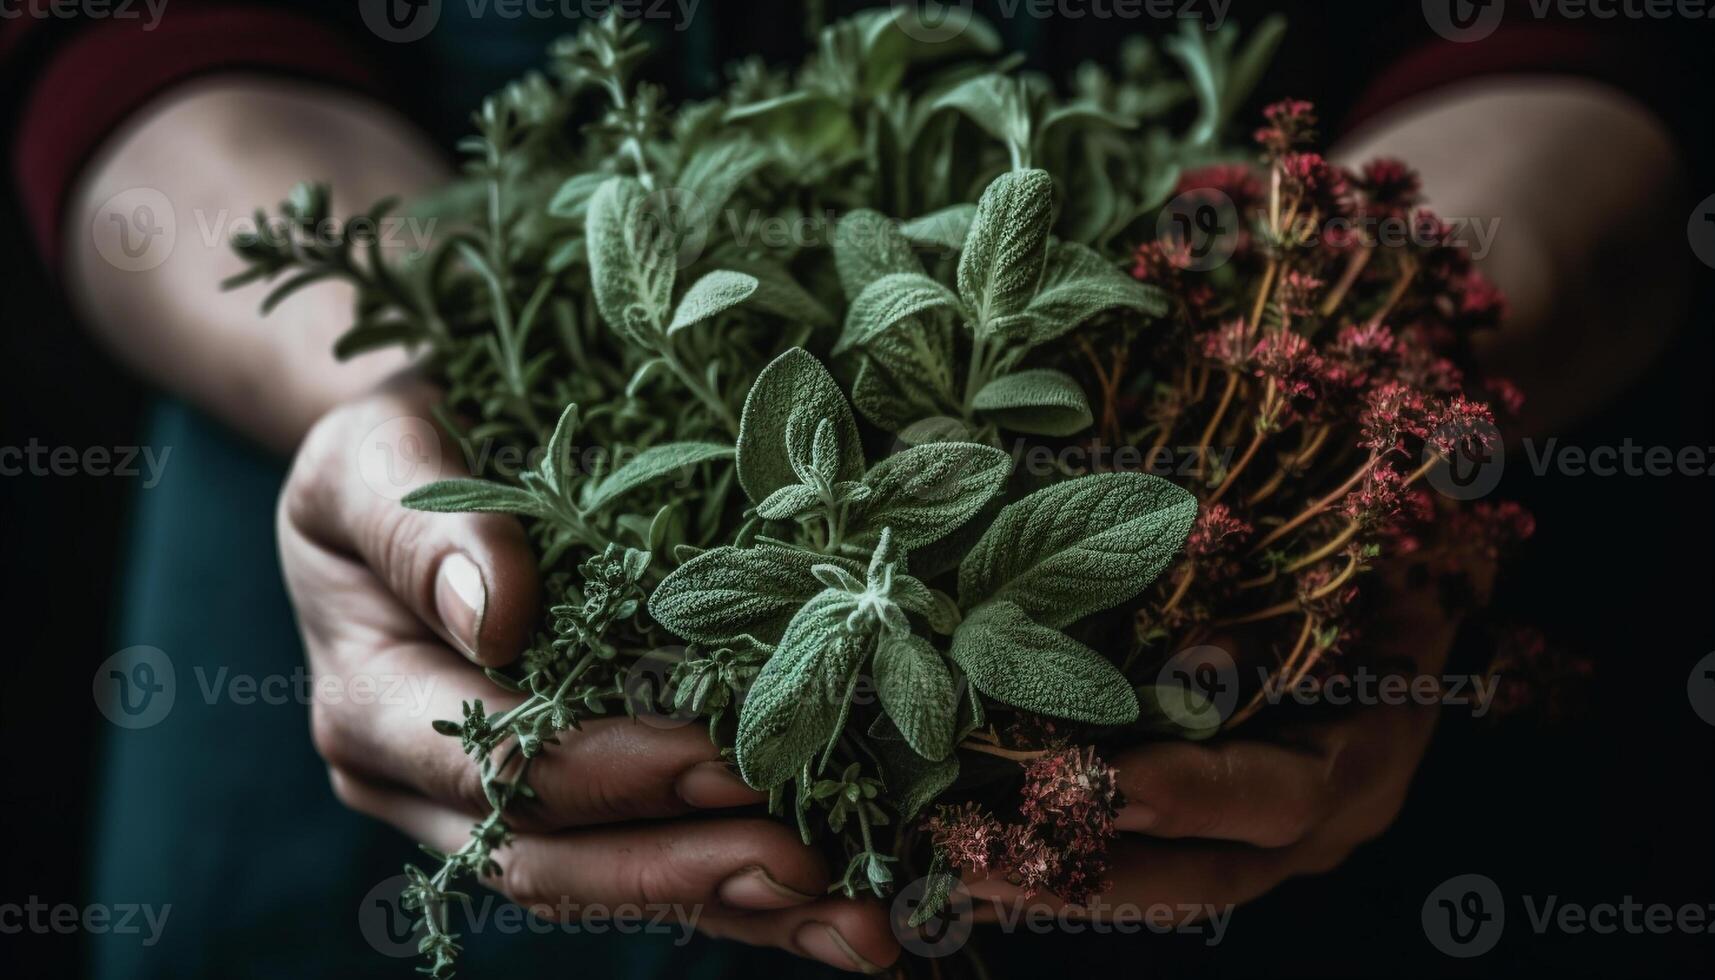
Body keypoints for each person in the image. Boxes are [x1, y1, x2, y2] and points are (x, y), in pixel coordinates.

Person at [3, 2, 1693, 977]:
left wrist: (1361, 394)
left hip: (1363, 786)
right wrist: (393, 394)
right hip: (324, 619)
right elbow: (129, 36)